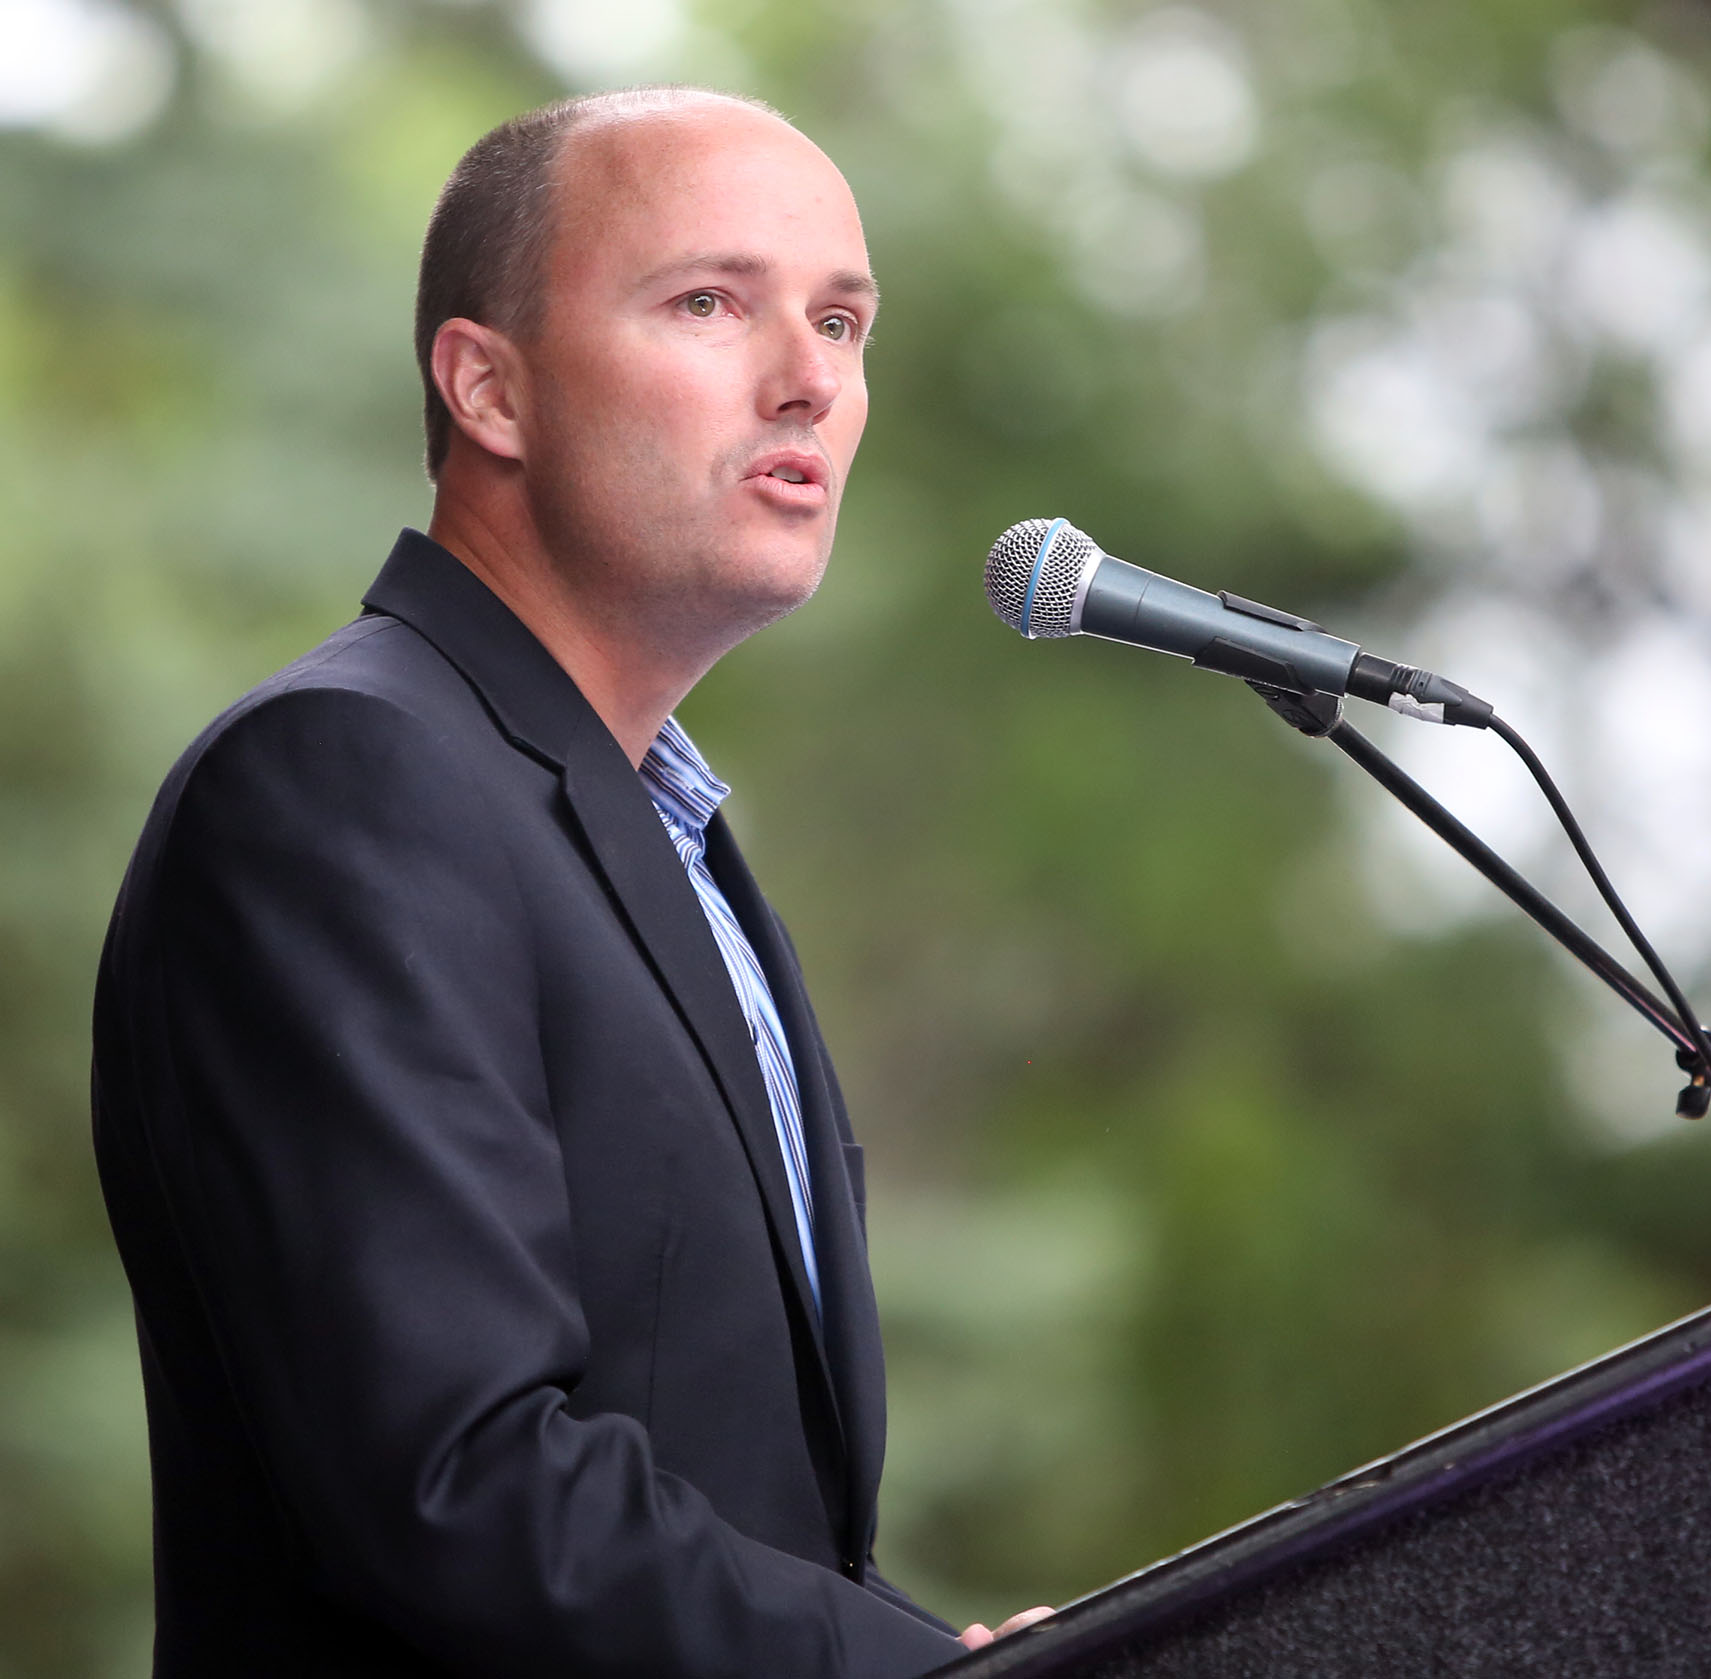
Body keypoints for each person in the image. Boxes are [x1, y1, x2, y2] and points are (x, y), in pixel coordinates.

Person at [92, 87, 1048, 1675]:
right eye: (708, 303)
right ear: (490, 389)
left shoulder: (671, 839)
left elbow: (742, 1508)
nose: (810, 380)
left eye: (842, 320)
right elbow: (453, 1481)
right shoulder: (346, 780)